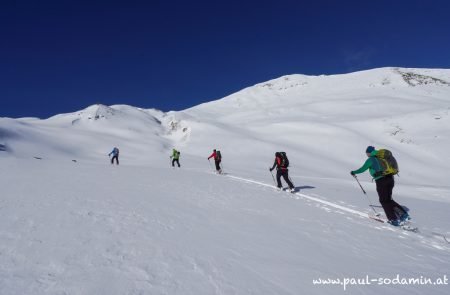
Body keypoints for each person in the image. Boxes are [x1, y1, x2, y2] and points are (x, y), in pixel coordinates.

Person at [351, 146, 410, 226]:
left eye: (367, 153)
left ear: (369, 153)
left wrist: (354, 172)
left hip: (381, 181)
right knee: (388, 199)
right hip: (390, 179)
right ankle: (404, 214)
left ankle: (393, 220)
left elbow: (362, 169)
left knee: (383, 201)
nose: (367, 154)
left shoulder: (371, 159)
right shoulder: (382, 158)